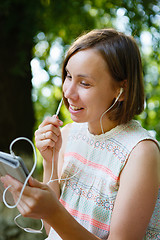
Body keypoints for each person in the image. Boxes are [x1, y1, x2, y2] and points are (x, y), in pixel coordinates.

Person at [1, 28, 160, 240]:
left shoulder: (140, 153)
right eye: (68, 76)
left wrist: (53, 211)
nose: (67, 92)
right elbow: (54, 232)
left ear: (121, 90)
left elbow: (57, 220)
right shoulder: (67, 135)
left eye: (84, 83)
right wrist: (50, 160)